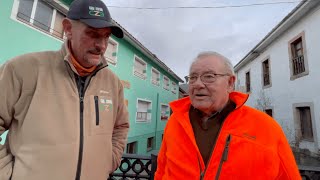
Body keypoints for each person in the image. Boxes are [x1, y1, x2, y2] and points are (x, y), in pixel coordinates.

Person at [0, 0, 129, 179]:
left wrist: (110, 160)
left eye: (106, 36)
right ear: (68, 29)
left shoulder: (113, 83)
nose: (102, 45)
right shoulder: (22, 69)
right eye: (92, 34)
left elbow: (121, 126)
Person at [155, 51, 301, 179]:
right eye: (192, 77)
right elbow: (161, 170)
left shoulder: (266, 126)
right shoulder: (176, 121)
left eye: (209, 76)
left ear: (230, 83)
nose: (197, 84)